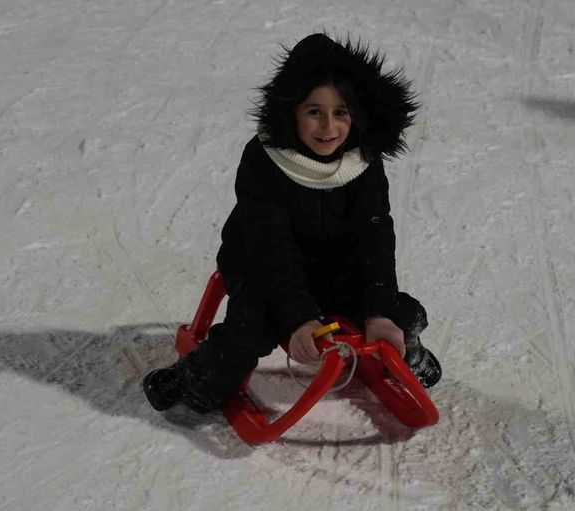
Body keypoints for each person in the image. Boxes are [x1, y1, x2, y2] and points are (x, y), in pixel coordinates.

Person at [144, 33, 441, 413]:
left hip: (334, 269)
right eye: (314, 111)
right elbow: (270, 248)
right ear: (292, 111)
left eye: (341, 112)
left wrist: (379, 311)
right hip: (263, 269)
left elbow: (375, 236)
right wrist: (299, 318)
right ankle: (195, 379)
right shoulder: (265, 160)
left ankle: (406, 351)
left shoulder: (361, 161)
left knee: (404, 312)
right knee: (248, 333)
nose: (328, 126)